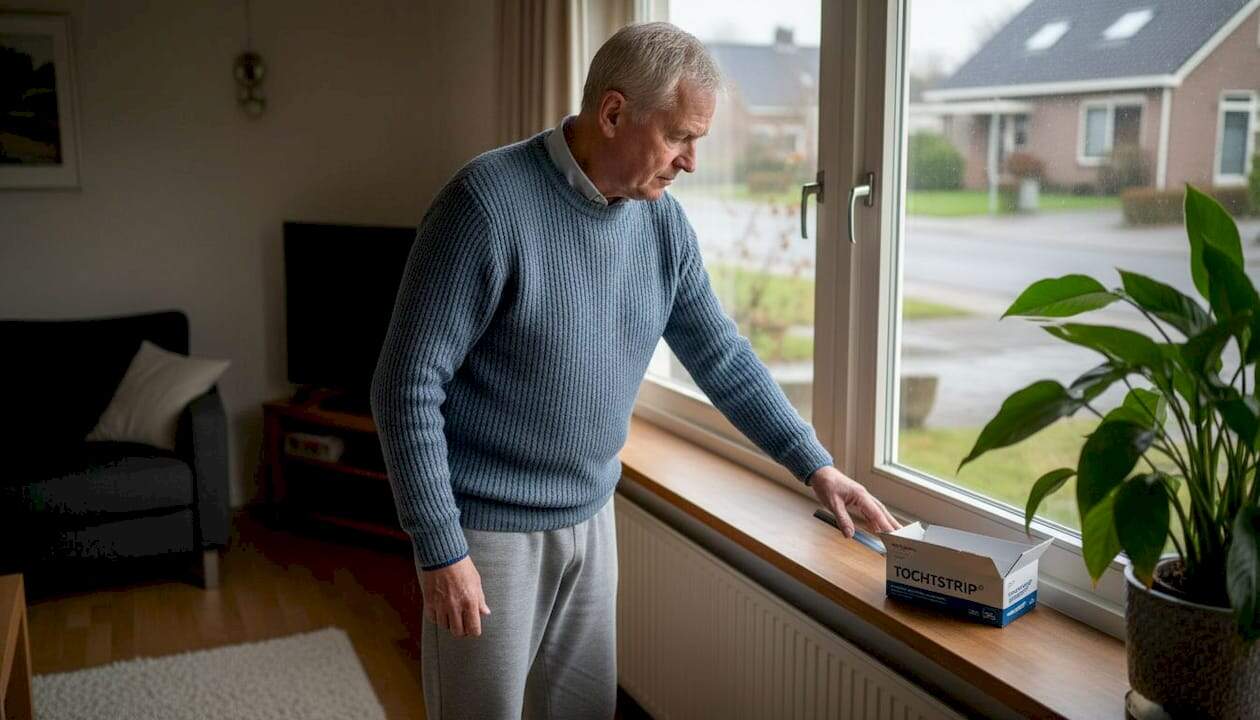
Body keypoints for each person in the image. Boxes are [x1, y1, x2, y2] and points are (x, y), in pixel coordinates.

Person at [369, 21, 902, 720]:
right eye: (680, 137)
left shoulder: (663, 227)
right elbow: (405, 387)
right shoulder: (485, 205)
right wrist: (440, 549)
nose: (689, 162)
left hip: (591, 520)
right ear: (614, 113)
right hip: (486, 532)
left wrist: (816, 466)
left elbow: (722, 357)